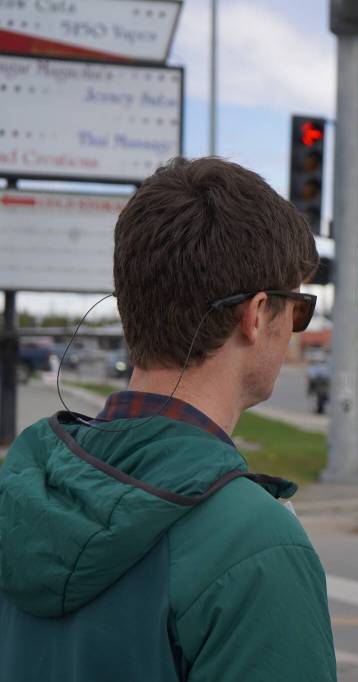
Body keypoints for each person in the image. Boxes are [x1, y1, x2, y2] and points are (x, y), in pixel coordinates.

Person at [0, 157, 337, 681]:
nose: (295, 328)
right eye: (299, 308)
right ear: (256, 315)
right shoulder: (255, 547)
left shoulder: (19, 500)